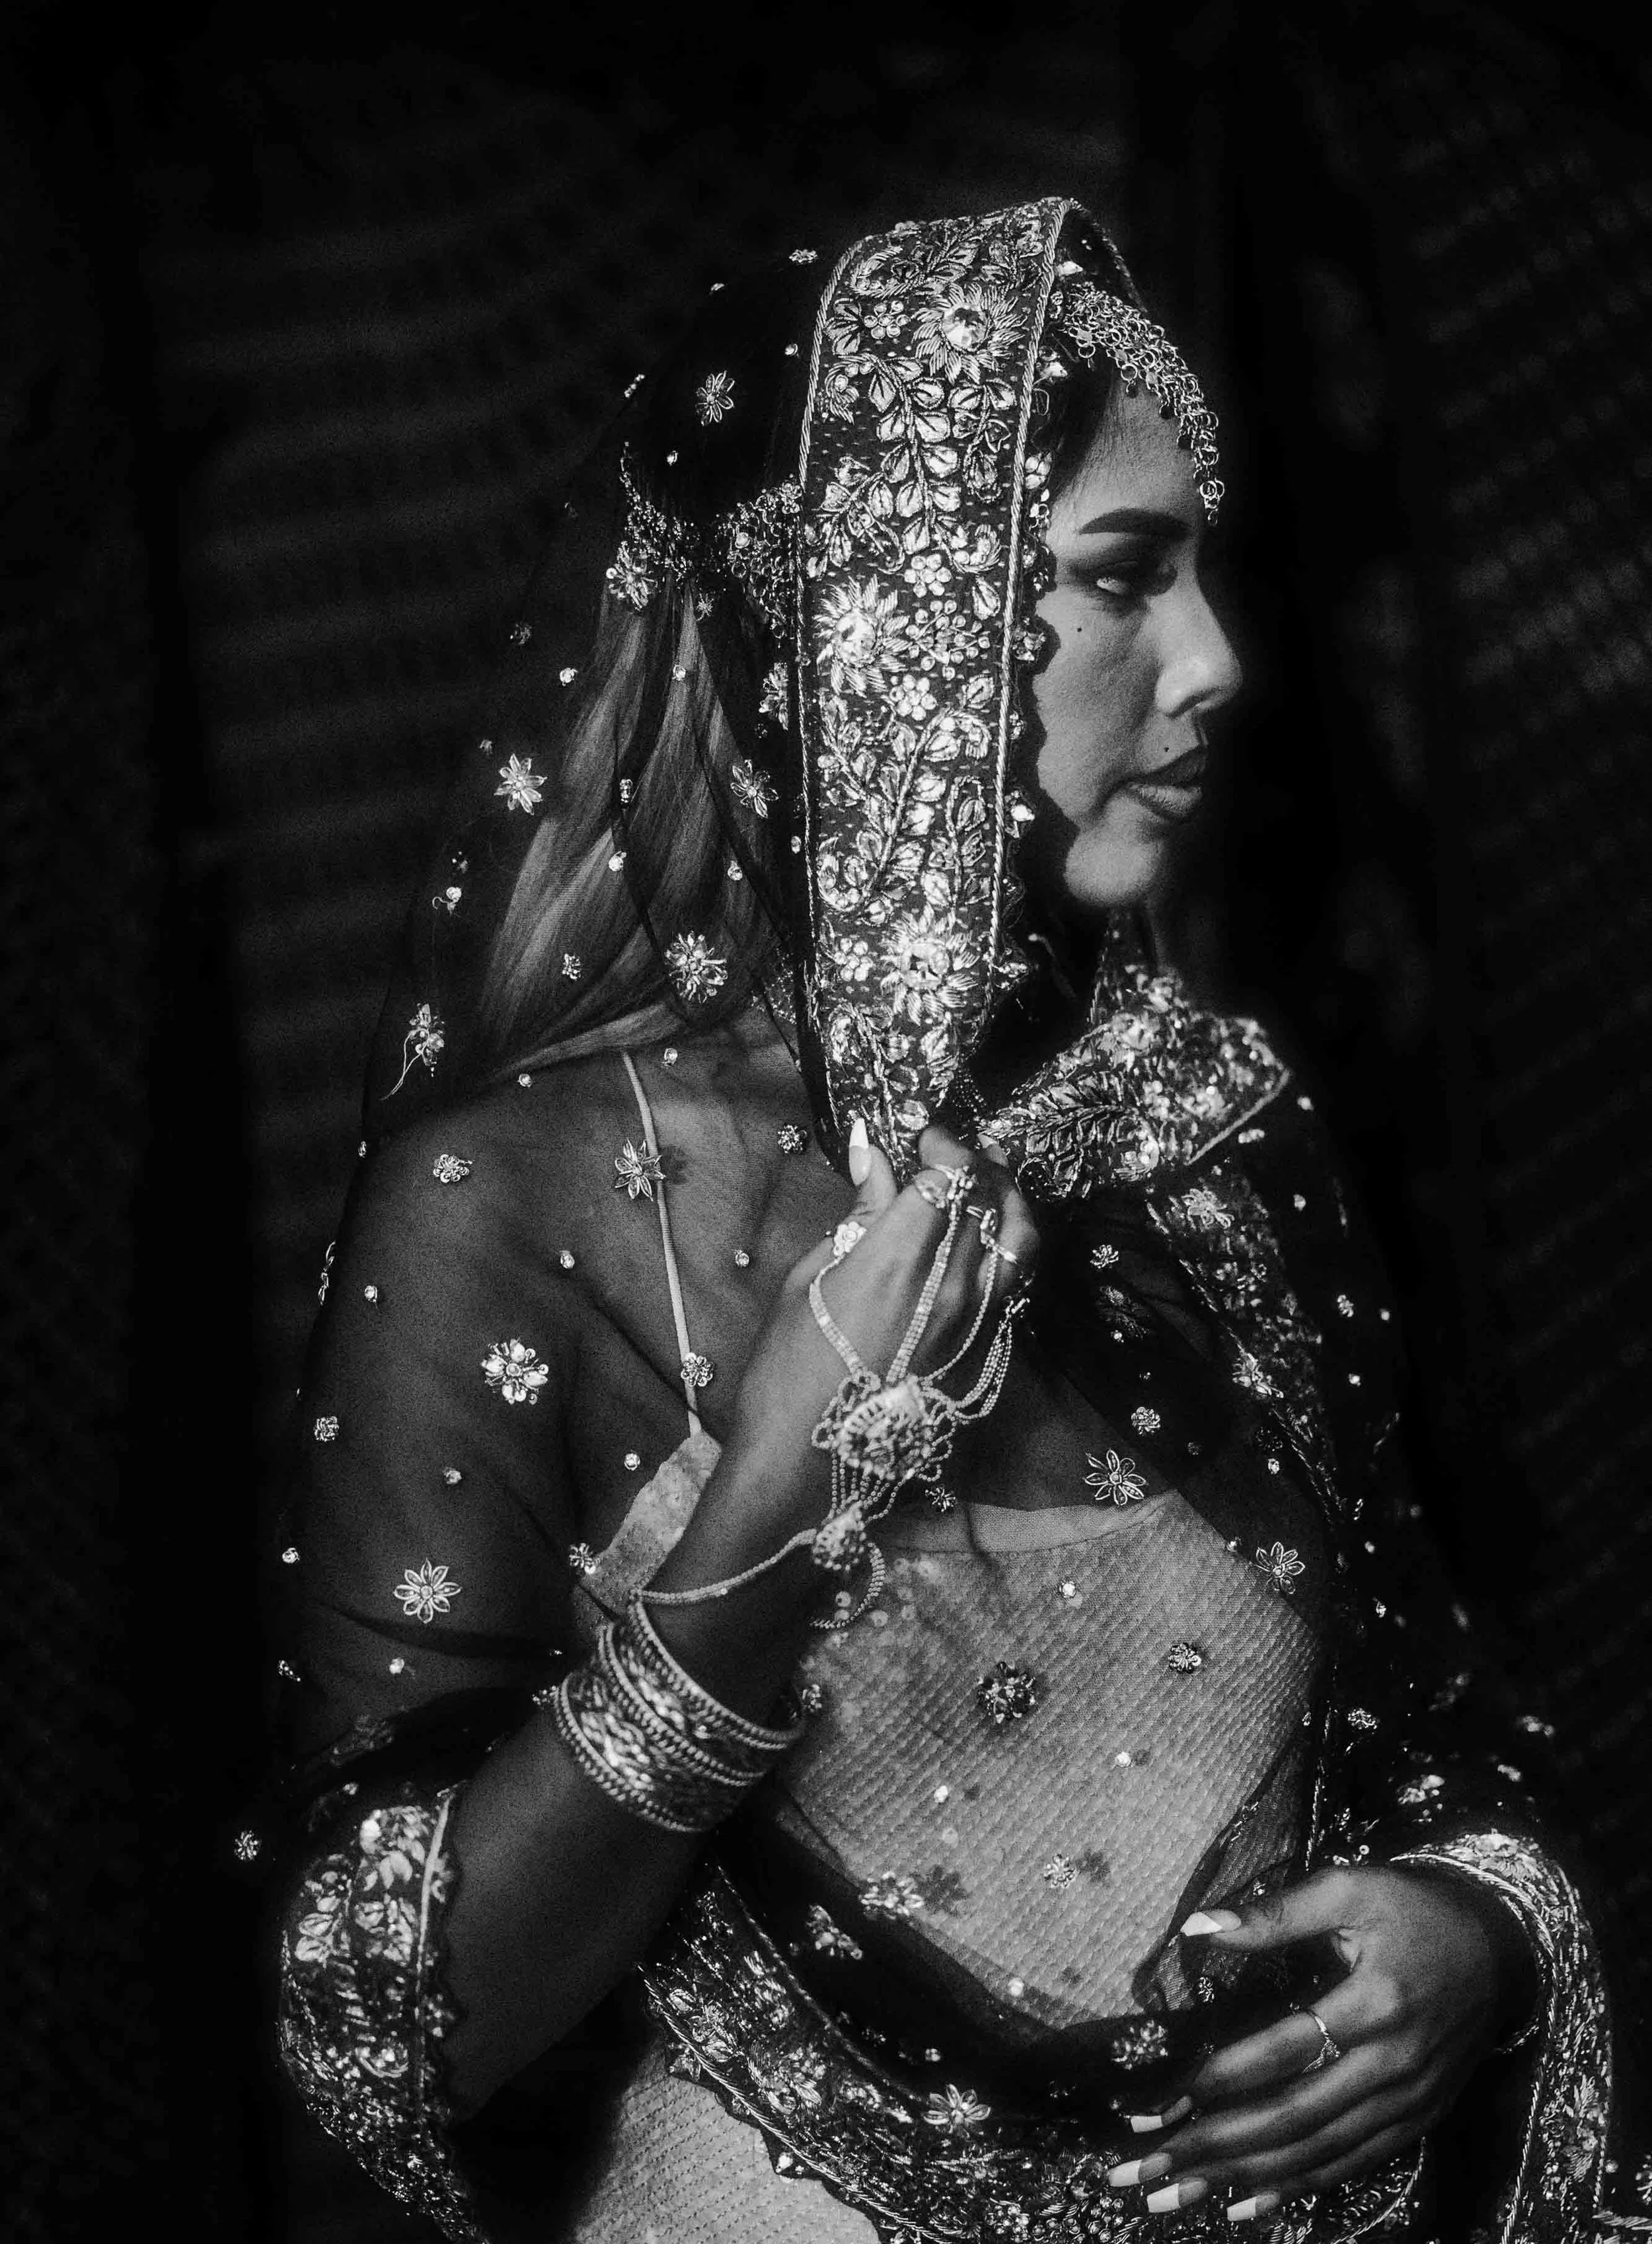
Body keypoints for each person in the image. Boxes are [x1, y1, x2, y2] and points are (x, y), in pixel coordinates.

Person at [272, 200, 1612, 2244]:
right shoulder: (514, 1203)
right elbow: (394, 2025)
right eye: (1117, 580)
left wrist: (1470, 1934)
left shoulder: (1195, 1141)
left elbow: (1446, 1705)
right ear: (876, 623)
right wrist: (778, 1493)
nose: (1214, 663)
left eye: (1195, 572)